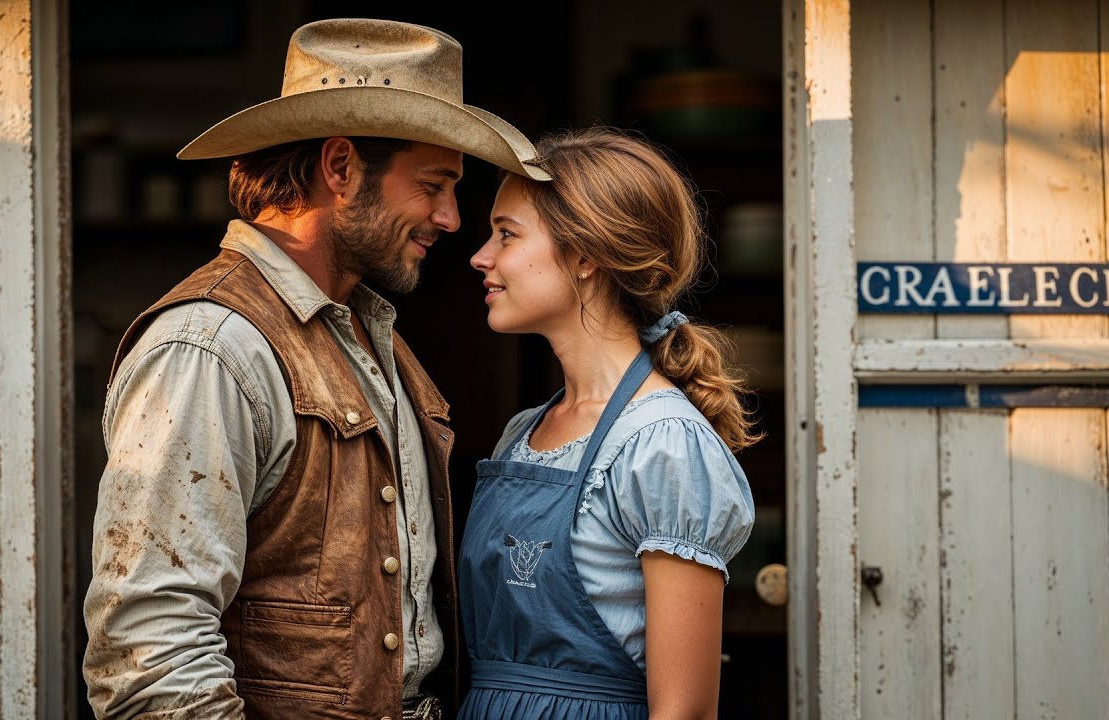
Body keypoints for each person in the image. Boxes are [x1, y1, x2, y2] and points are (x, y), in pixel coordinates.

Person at [82, 18, 549, 720]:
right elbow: (152, 654)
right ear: (339, 168)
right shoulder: (210, 346)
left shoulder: (367, 331)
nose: (451, 218)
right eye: (433, 184)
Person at [458, 127, 758, 719]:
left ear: (586, 255)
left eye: (506, 235)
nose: (481, 257)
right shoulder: (522, 432)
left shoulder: (663, 444)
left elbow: (686, 712)